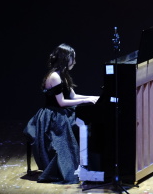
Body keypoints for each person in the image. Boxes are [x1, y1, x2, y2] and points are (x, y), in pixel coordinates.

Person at [23, 43, 99, 184]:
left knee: (86, 122)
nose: (74, 61)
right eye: (72, 58)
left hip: (61, 112)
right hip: (52, 116)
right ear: (65, 58)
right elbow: (61, 102)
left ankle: (88, 163)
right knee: (79, 125)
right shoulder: (54, 77)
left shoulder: (63, 75)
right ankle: (76, 164)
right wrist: (86, 101)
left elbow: (73, 96)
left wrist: (93, 97)